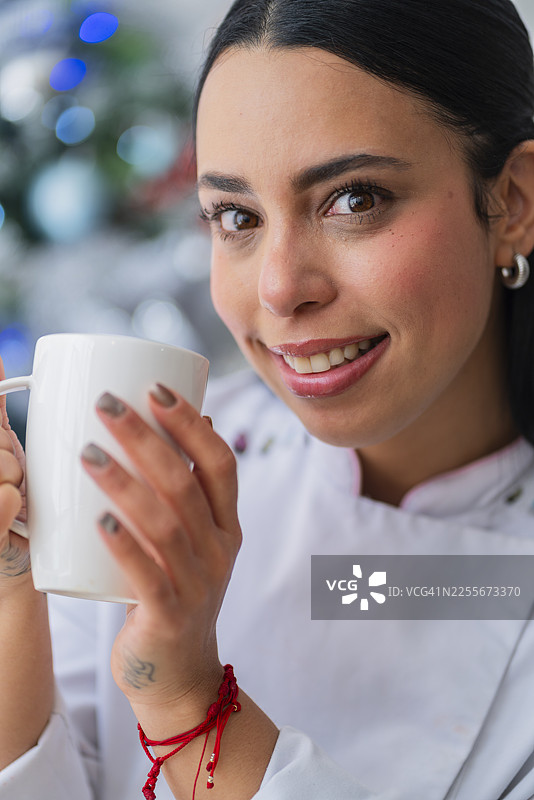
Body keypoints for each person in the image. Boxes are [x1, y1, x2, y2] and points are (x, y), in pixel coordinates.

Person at [1, 0, 534, 797]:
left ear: (515, 202)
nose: (280, 288)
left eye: (355, 199)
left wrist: (183, 697)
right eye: (236, 216)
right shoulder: (147, 475)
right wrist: (11, 590)